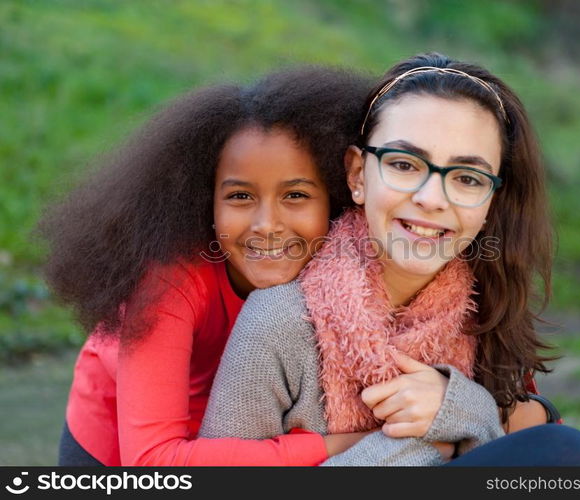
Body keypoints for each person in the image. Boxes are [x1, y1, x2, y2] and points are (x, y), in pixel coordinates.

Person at [199, 53, 580, 466]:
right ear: (358, 175)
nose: (431, 198)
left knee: (567, 454)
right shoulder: (279, 321)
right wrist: (420, 446)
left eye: (467, 178)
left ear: (491, 201)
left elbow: (526, 438)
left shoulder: (483, 310)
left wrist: (467, 409)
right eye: (403, 164)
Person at [42, 66, 376, 466]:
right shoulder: (170, 281)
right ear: (207, 203)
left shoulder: (343, 262)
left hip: (241, 433)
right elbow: (153, 460)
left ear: (336, 197)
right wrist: (331, 446)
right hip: (119, 444)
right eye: (239, 197)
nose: (267, 225)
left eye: (296, 195)